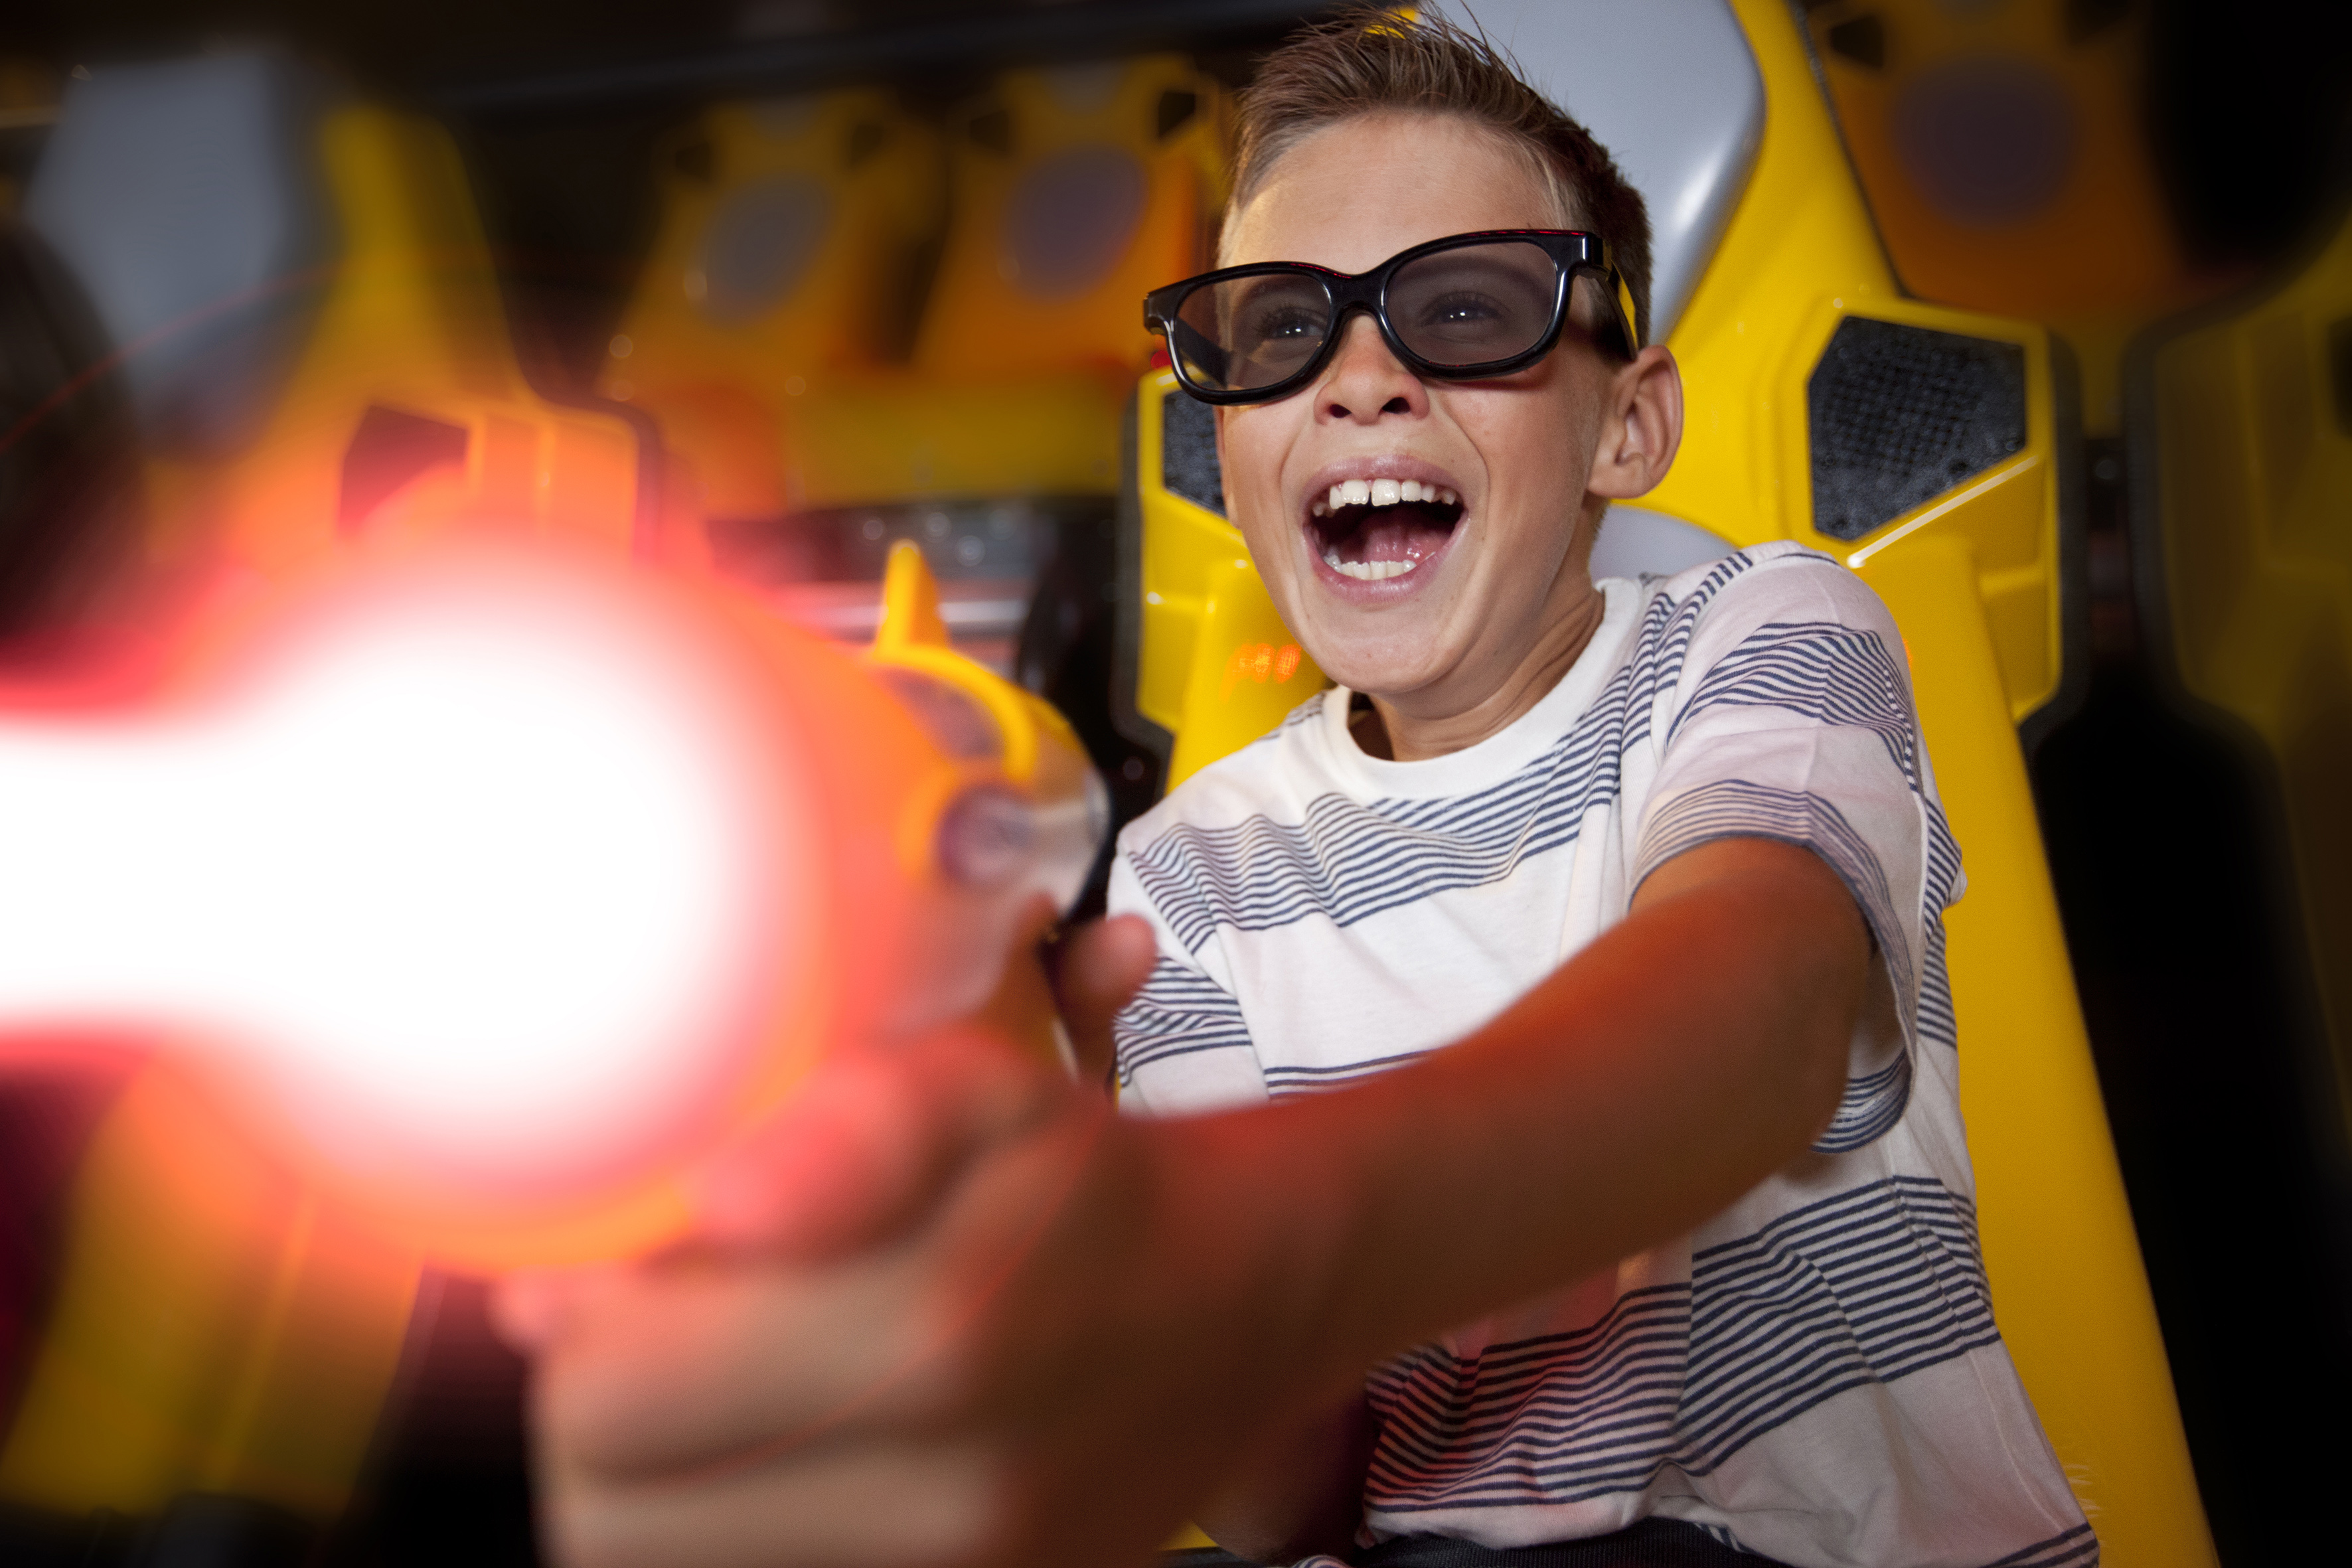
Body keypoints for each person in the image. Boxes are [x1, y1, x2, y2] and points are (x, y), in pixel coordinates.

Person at [494, 12, 2092, 1567]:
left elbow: (1753, 1008)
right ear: (1228, 450)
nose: (1358, 377)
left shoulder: (1764, 632)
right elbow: (1289, 1502)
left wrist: (1255, 1226)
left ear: (1628, 422)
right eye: (1277, 331)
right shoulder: (1188, 872)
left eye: (1463, 309)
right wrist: (1078, 1249)